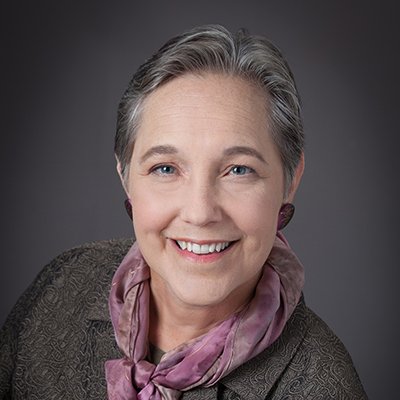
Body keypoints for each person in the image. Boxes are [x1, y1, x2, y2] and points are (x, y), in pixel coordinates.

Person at [0, 25, 368, 399]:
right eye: (165, 168)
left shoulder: (322, 385)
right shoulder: (61, 286)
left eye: (238, 170)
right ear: (125, 177)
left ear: (291, 180)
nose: (200, 212)